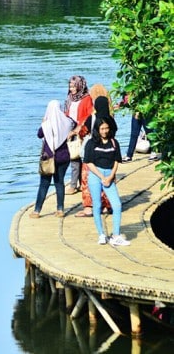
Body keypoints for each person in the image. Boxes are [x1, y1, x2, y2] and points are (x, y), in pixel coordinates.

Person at [83, 116, 130, 246]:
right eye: (102, 128)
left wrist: (110, 176)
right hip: (95, 175)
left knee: (117, 205)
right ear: (97, 129)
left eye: (107, 128)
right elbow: (88, 162)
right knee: (97, 205)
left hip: (109, 174)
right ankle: (101, 234)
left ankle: (116, 235)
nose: (104, 131)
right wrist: (101, 176)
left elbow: (116, 161)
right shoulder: (91, 143)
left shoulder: (114, 142)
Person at [29, 100, 75, 219]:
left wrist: (43, 122)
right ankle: (60, 209)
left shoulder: (46, 125)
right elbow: (74, 124)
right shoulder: (68, 122)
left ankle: (37, 211)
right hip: (64, 157)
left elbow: (39, 135)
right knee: (59, 183)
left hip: (49, 158)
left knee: (44, 184)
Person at [74, 96, 115, 217]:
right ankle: (106, 206)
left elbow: (83, 132)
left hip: (92, 153)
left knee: (88, 179)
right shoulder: (110, 120)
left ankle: (89, 207)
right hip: (108, 153)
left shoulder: (92, 118)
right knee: (106, 178)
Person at [64, 75, 94, 195]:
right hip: (70, 129)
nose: (72, 89)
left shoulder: (87, 98)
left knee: (80, 157)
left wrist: (78, 128)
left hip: (82, 130)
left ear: (80, 86)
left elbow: (88, 115)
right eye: (70, 86)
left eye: (74, 86)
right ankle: (76, 183)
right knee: (74, 157)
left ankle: (78, 184)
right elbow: (66, 113)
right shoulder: (69, 98)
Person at [116, 94, 157, 162]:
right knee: (134, 134)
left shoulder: (141, 88)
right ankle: (129, 155)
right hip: (136, 114)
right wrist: (121, 104)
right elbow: (127, 101)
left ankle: (154, 152)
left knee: (149, 132)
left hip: (145, 112)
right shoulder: (129, 90)